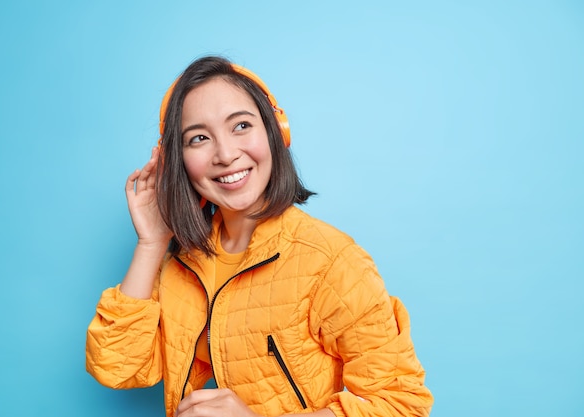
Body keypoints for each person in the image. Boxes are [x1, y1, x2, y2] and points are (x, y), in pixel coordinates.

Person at [86, 56, 433, 417]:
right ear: (178, 160)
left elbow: (401, 404)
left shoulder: (332, 261)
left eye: (240, 126)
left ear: (275, 131)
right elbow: (116, 368)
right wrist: (151, 243)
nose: (225, 154)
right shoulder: (181, 262)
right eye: (199, 138)